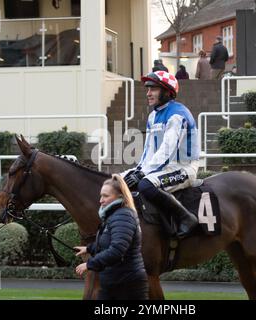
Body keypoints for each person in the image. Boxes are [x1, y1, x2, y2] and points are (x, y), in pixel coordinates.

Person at [122, 70, 200, 239]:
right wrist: (138, 169)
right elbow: (149, 150)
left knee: (146, 185)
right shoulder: (153, 116)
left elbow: (167, 150)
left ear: (167, 92)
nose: (148, 93)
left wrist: (143, 174)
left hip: (184, 168)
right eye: (147, 89)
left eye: (153, 89)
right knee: (118, 180)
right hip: (162, 167)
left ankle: (186, 217)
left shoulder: (177, 114)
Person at [74, 174, 149, 300]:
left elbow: (117, 250)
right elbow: (108, 242)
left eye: (106, 196)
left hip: (127, 286)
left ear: (119, 196)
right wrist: (89, 248)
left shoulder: (123, 216)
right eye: (101, 195)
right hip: (115, 282)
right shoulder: (114, 215)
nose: (100, 200)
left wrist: (89, 264)